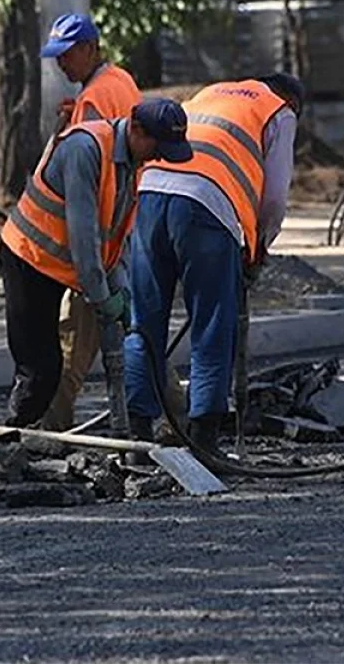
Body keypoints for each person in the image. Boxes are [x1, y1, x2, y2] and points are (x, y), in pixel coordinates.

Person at [123, 74, 305, 455]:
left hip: (152, 192)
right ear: (292, 101)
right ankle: (205, 436)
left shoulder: (210, 92)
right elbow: (273, 199)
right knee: (211, 323)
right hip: (205, 207)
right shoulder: (280, 112)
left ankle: (138, 435)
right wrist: (257, 251)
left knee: (145, 320)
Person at [0, 98, 192, 428]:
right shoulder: (84, 150)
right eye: (157, 146)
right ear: (137, 129)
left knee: (127, 339)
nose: (159, 156)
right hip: (29, 259)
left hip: (66, 264)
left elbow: (113, 232)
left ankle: (177, 421)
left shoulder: (131, 161)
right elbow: (84, 238)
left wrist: (123, 289)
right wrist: (102, 298)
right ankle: (14, 440)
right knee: (40, 367)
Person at [37, 13, 143, 433]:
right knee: (134, 331)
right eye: (57, 57)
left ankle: (50, 428)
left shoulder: (95, 99)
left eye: (67, 55)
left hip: (99, 235)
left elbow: (81, 176)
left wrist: (90, 264)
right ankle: (176, 416)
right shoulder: (119, 81)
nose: (61, 64)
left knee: (73, 341)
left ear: (90, 49)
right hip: (121, 226)